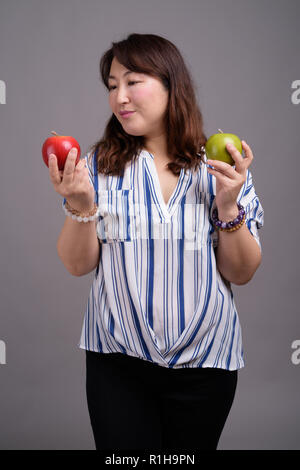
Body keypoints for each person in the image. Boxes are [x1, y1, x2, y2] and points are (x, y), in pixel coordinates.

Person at [48, 33, 264, 450]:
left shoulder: (222, 167)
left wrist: (227, 205)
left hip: (206, 363)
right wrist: (79, 203)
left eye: (133, 81)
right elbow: (77, 265)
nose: (120, 97)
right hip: (117, 362)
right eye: (112, 86)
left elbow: (242, 271)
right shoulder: (97, 166)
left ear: (171, 85)